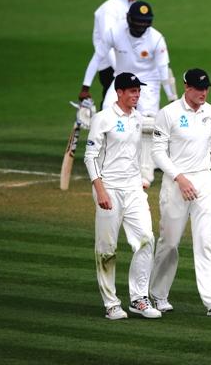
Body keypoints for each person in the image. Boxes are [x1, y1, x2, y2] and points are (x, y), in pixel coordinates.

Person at [149, 68, 211, 317]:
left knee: (207, 241)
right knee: (170, 242)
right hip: (176, 183)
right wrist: (179, 178)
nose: (203, 93)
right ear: (187, 87)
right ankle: (157, 295)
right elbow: (158, 152)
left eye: (206, 88)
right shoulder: (169, 113)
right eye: (198, 88)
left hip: (204, 181)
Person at [84, 72, 161, 320]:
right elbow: (90, 157)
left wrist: (144, 179)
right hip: (108, 189)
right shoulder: (103, 119)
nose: (136, 95)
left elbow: (155, 137)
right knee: (107, 248)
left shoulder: (139, 119)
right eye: (132, 91)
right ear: (119, 93)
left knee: (146, 239)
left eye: (138, 91)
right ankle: (111, 303)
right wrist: (100, 189)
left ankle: (139, 298)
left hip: (133, 190)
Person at [96, 0, 177, 188]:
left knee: (148, 124)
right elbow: (98, 57)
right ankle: (111, 165)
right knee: (110, 119)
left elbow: (164, 71)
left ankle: (146, 173)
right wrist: (85, 89)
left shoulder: (156, 38)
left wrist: (172, 97)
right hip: (123, 78)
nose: (141, 26)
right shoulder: (117, 32)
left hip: (150, 83)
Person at [79, 0, 149, 106]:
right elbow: (109, 45)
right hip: (112, 67)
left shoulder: (129, 6)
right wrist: (121, 70)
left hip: (129, 64)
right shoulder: (109, 9)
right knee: (112, 106)